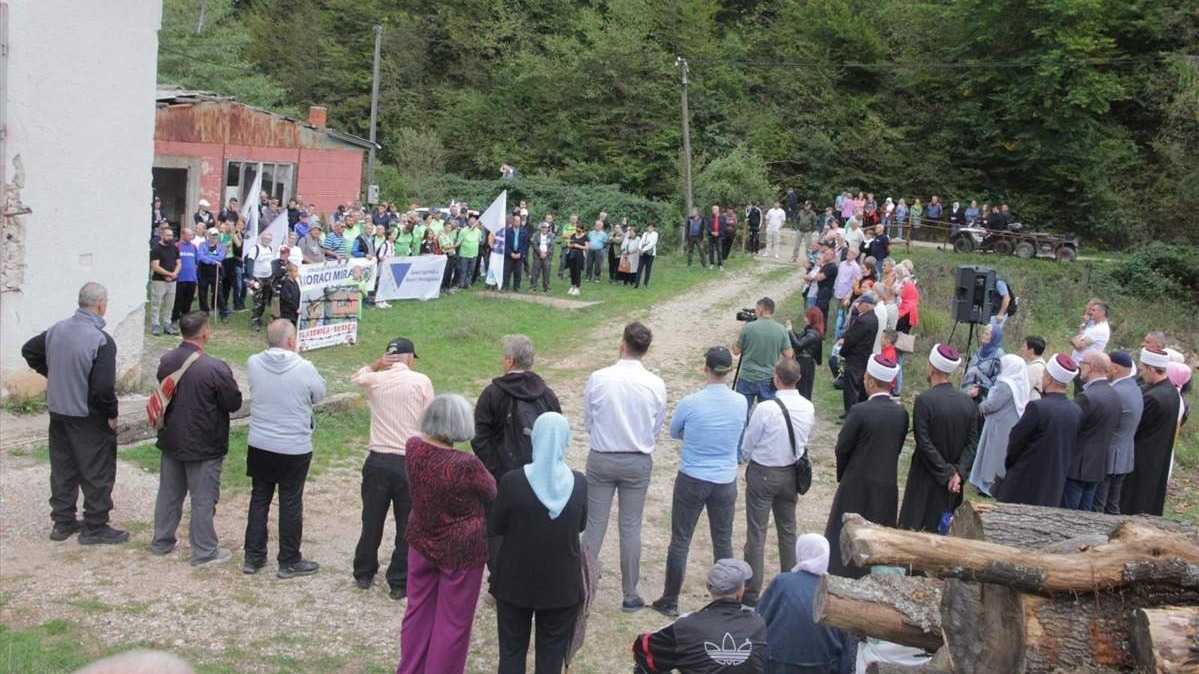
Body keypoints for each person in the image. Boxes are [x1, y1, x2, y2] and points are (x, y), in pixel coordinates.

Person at [396, 395, 496, 674]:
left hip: (421, 539)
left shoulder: (413, 446)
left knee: (417, 611)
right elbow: (491, 491)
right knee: (453, 622)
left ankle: (410, 668)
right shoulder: (467, 464)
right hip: (461, 550)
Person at [20, 283, 127, 545]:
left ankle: (62, 522)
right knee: (97, 469)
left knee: (63, 468)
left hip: (58, 411)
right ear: (101, 305)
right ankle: (95, 525)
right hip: (87, 414)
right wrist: (111, 413)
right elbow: (103, 388)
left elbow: (29, 350)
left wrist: (54, 374)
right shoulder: (101, 340)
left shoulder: (57, 329)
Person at [652, 347, 748, 617]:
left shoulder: (691, 402)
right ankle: (727, 599)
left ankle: (670, 599)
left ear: (705, 368)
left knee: (681, 538)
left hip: (693, 475)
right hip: (724, 478)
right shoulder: (740, 402)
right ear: (729, 372)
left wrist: (694, 436)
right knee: (722, 539)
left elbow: (674, 431)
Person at [490, 413, 587, 674]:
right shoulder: (578, 484)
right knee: (551, 657)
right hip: (560, 584)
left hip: (514, 581)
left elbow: (496, 526)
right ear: (565, 441)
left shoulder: (513, 481)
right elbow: (581, 525)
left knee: (511, 651)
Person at [582, 322, 668, 612]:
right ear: (647, 350)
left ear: (622, 344)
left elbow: (588, 418)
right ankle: (630, 593)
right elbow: (656, 426)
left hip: (603, 455)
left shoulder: (599, 377)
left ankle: (583, 587)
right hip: (636, 458)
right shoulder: (655, 383)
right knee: (630, 527)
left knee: (595, 524)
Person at [150, 312, 243, 565]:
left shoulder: (167, 359)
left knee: (169, 494)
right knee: (203, 499)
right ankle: (204, 551)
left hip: (171, 437)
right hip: (204, 442)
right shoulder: (215, 367)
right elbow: (233, 402)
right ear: (204, 333)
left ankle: (162, 541)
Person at [351, 337, 434, 599]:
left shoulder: (375, 381)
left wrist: (376, 365)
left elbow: (358, 377)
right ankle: (399, 581)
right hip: (409, 460)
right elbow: (431, 420)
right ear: (409, 358)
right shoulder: (421, 381)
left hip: (378, 458)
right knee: (406, 523)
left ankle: (364, 572)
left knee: (371, 519)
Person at [243, 319, 326, 577]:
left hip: (260, 441)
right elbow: (319, 394)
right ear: (291, 341)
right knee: (290, 502)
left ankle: (253, 557)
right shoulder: (304, 367)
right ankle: (289, 560)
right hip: (293, 445)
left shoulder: (254, 362)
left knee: (259, 499)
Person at [739, 358, 814, 606]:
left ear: (776, 379)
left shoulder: (766, 409)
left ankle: (751, 592)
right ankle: (790, 586)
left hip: (763, 472)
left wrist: (747, 457)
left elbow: (749, 442)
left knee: (757, 532)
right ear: (799, 379)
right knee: (788, 530)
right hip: (790, 473)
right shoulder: (807, 407)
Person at [825, 355, 907, 577]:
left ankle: (841, 571)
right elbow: (897, 446)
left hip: (857, 481)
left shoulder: (860, 411)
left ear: (870, 381)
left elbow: (842, 447)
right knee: (878, 536)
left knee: (845, 533)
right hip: (887, 483)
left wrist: (844, 473)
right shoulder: (901, 413)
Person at [633, 559, 768, 674]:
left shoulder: (686, 625)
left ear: (708, 586)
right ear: (740, 590)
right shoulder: (757, 624)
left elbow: (643, 646)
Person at [899, 345, 978, 532]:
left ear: (932, 368)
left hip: (926, 476)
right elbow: (972, 443)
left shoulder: (925, 401)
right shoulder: (967, 402)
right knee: (943, 528)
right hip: (953, 484)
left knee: (916, 528)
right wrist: (959, 473)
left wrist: (948, 473)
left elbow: (924, 442)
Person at [756, 534, 857, 674]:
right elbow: (847, 646)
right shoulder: (837, 590)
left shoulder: (782, 582)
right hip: (823, 666)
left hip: (778, 664)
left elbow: (759, 621)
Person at [996, 355, 1081, 507]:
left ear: (1048, 378)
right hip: (1054, 484)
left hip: (1025, 480)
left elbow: (1016, 440)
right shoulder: (1075, 410)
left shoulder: (1038, 408)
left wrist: (1012, 465)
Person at [1120, 348, 1181, 516]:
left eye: (1143, 369)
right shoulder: (1171, 392)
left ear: (1151, 369)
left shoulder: (1153, 397)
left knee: (1133, 502)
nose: (1142, 374)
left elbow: (1136, 426)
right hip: (1158, 456)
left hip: (1142, 457)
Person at [1063, 352, 1121, 511]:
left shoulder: (1087, 397)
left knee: (1068, 514)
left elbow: (1071, 428)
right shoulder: (1115, 395)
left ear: (1092, 368)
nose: (1080, 366)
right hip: (1098, 465)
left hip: (1078, 465)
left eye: (1083, 363)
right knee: (1085, 514)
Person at [968, 352, 1029, 498]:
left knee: (992, 455)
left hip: (999, 425)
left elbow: (993, 404)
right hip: (1007, 423)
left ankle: (988, 485)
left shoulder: (1007, 385)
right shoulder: (1019, 383)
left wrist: (980, 406)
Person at [1093, 351, 1142, 514]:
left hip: (1110, 455)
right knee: (1112, 505)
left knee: (1099, 505)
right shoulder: (1134, 388)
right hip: (1124, 454)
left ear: (1115, 368)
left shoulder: (1116, 392)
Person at [732, 298, 795, 413]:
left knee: (742, 413)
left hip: (747, 376)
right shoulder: (781, 330)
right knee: (768, 414)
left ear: (761, 310)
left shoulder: (749, 327)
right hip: (768, 377)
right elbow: (789, 355)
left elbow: (736, 351)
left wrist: (738, 335)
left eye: (756, 309)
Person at [836, 294, 879, 417]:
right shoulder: (874, 318)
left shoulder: (863, 320)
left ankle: (850, 414)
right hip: (864, 357)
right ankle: (853, 412)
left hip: (856, 358)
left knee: (851, 388)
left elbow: (851, 339)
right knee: (859, 386)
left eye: (860, 304)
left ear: (866, 305)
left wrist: (842, 351)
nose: (857, 306)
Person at [785, 307, 824, 401]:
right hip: (804, 362)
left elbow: (799, 345)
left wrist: (790, 332)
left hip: (805, 364)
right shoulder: (811, 331)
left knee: (803, 389)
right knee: (800, 387)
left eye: (806, 317)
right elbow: (799, 338)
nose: (804, 319)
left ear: (812, 318)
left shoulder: (813, 334)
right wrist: (792, 329)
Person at [962, 318, 1005, 401]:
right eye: (984, 333)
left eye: (987, 334)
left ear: (994, 337)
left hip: (983, 394)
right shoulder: (981, 349)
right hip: (968, 390)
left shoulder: (999, 355)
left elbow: (998, 379)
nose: (983, 335)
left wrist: (981, 387)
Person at [196, 228, 226, 319]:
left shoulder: (221, 246)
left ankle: (223, 313)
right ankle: (204, 311)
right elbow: (201, 257)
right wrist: (213, 260)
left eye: (216, 235)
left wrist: (208, 257)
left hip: (215, 270)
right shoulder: (202, 245)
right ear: (208, 235)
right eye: (212, 235)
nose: (214, 237)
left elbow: (220, 257)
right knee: (202, 292)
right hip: (203, 270)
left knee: (218, 292)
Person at [831, 249, 862, 340]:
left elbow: (856, 282)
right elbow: (838, 278)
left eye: (852, 253)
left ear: (856, 256)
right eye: (849, 252)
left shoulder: (856, 268)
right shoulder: (842, 263)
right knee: (836, 313)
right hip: (838, 292)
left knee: (843, 315)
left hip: (847, 294)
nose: (849, 254)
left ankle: (841, 334)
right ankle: (835, 331)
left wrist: (849, 295)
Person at [503, 215, 529, 292]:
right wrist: (511, 253)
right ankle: (505, 287)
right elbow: (506, 244)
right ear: (513, 221)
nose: (517, 222)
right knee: (507, 272)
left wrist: (520, 254)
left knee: (518, 272)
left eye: (518, 221)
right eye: (516, 221)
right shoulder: (508, 231)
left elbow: (526, 244)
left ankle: (516, 287)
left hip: (519, 254)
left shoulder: (524, 231)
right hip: (509, 254)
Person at [529, 221, 555, 293]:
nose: (544, 229)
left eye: (545, 227)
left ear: (548, 228)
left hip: (547, 256)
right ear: (540, 228)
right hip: (537, 256)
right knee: (535, 272)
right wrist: (540, 253)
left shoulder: (551, 236)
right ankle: (533, 287)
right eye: (542, 227)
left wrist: (546, 253)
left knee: (546, 272)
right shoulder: (536, 235)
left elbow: (552, 246)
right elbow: (534, 245)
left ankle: (546, 288)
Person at [1023, 336, 1048, 400]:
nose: (1023, 349)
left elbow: (1025, 388)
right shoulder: (1041, 363)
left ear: (1031, 350)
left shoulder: (1034, 368)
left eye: (1024, 347)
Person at [567, 222, 588, 296]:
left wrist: (578, 246)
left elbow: (587, 247)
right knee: (572, 270)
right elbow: (568, 244)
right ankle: (572, 286)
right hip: (572, 253)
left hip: (580, 254)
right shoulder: (573, 235)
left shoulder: (585, 237)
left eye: (579, 231)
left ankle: (577, 288)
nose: (577, 232)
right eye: (576, 230)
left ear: (582, 230)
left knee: (577, 271)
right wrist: (572, 245)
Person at [637, 222, 659, 289]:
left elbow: (652, 244)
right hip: (642, 253)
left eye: (652, 227)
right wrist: (640, 249)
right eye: (649, 227)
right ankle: (636, 283)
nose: (650, 228)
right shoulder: (644, 234)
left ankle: (645, 284)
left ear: (654, 228)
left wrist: (643, 250)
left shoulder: (655, 234)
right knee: (639, 268)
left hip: (650, 254)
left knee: (648, 269)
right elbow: (641, 241)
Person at [705, 205, 724, 270]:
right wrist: (712, 232)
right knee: (711, 250)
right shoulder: (709, 217)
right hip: (711, 236)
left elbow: (724, 227)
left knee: (719, 250)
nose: (713, 210)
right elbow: (707, 226)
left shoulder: (722, 217)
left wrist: (718, 233)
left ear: (718, 210)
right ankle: (711, 264)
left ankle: (720, 265)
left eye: (715, 209)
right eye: (713, 209)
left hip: (719, 236)